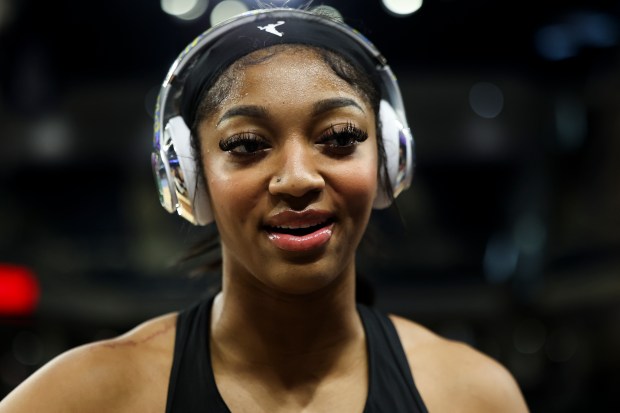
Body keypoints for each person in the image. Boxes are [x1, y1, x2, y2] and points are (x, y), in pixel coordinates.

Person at [0, 7, 529, 413]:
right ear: (189, 174)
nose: (297, 178)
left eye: (340, 137)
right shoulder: (90, 396)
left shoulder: (472, 396)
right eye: (247, 145)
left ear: (390, 159)